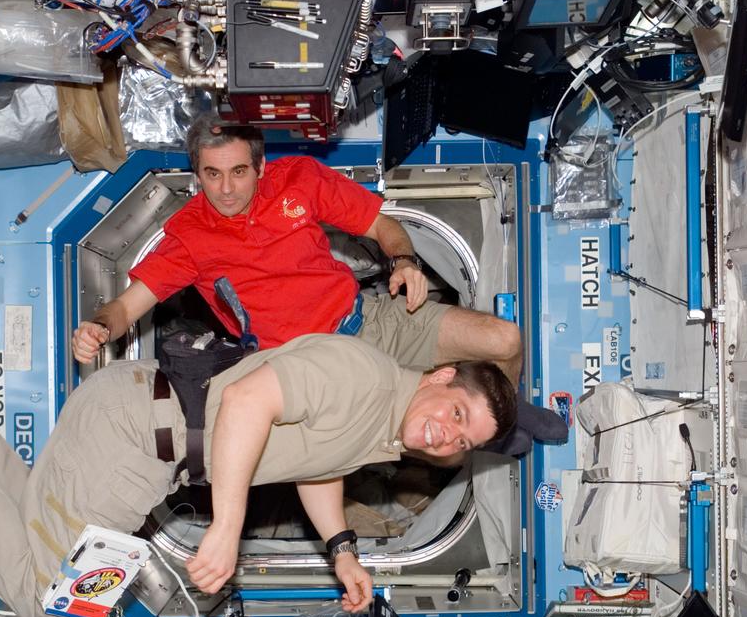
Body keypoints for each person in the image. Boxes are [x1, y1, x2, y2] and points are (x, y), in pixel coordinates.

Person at [0, 335, 515, 617]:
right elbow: (250, 402)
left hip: (147, 437)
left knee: (35, 522)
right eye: (456, 415)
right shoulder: (364, 378)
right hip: (138, 437)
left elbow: (320, 463)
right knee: (55, 602)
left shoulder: (383, 420)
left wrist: (342, 547)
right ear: (440, 376)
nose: (448, 438)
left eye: (465, 442)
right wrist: (226, 529)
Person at [70, 116, 566, 454]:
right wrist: (97, 326)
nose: (225, 189)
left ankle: (503, 420)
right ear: (196, 175)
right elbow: (126, 307)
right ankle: (485, 438)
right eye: (212, 175)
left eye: (239, 172)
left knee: (505, 339)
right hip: (317, 367)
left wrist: (405, 262)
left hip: (368, 318)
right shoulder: (188, 238)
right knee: (431, 444)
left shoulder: (299, 181)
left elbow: (382, 226)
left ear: (261, 168)